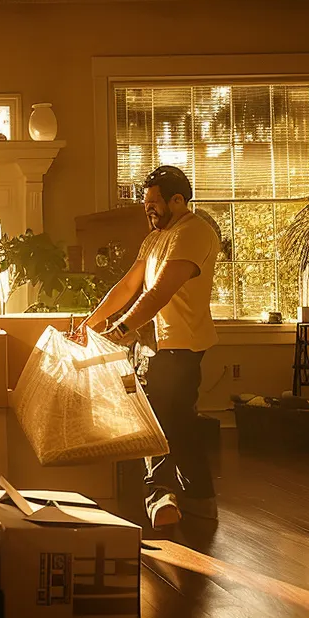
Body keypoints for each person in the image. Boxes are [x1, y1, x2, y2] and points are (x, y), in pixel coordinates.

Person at [78, 165, 220, 529]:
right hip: (153, 346)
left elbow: (159, 292)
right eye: (146, 204)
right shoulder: (155, 237)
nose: (149, 210)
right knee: (173, 422)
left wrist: (123, 327)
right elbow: (129, 285)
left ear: (178, 200)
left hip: (182, 345)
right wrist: (90, 322)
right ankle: (198, 497)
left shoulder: (194, 232)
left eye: (155, 203)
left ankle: (162, 498)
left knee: (158, 420)